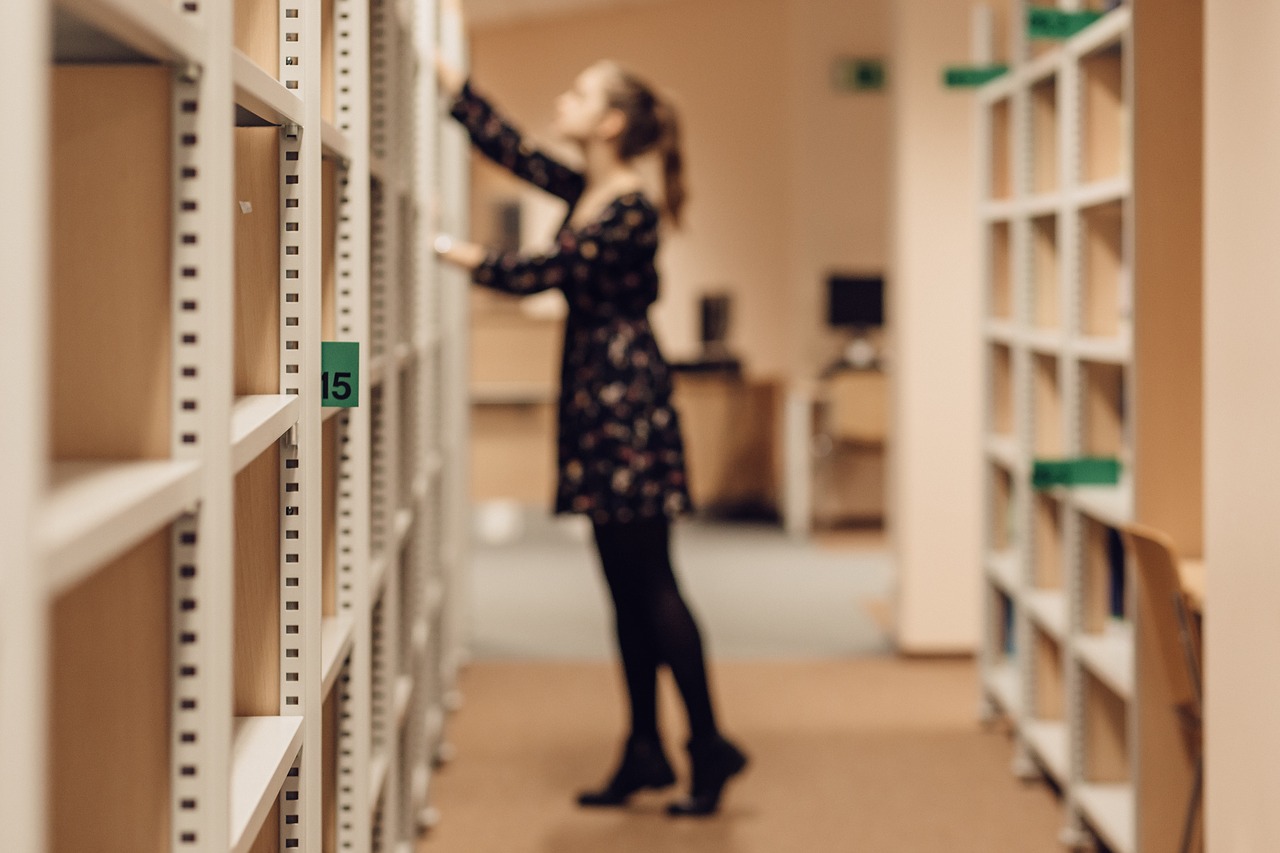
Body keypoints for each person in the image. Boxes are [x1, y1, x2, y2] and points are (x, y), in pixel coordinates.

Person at [433, 59, 748, 817]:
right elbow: (516, 151)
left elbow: (546, 270)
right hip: (598, 396)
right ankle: (644, 743)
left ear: (611, 123)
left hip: (625, 404)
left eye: (578, 94)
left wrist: (452, 251)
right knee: (622, 586)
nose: (561, 100)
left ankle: (707, 743)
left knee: (653, 581)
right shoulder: (591, 190)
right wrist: (456, 90)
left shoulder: (629, 207)